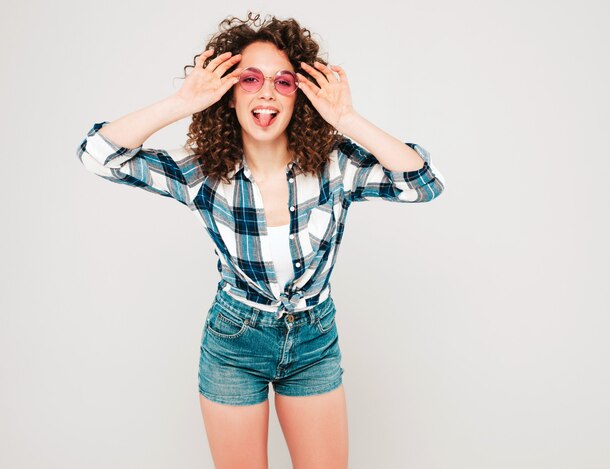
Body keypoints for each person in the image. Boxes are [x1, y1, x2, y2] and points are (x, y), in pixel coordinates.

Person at [76, 12, 445, 469]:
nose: (266, 92)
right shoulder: (200, 175)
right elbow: (98, 156)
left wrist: (346, 117)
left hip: (314, 342)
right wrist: (181, 102)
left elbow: (423, 183)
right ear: (229, 95)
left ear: (301, 97)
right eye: (249, 79)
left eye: (283, 82)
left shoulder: (336, 166)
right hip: (235, 342)